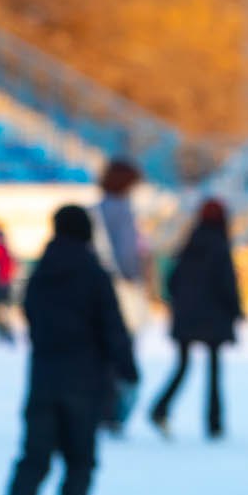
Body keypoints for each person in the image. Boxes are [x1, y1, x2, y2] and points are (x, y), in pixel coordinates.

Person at [0, 204, 139, 495]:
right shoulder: (94, 274)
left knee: (33, 461)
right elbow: (112, 327)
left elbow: (30, 315)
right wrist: (127, 369)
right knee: (80, 463)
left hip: (43, 381)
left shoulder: (41, 272)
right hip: (85, 385)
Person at [149, 198, 243, 440]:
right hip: (213, 317)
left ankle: (160, 408)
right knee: (214, 370)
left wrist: (181, 304)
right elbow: (227, 283)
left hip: (187, 316)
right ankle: (214, 422)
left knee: (183, 366)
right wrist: (236, 310)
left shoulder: (190, 244)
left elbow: (172, 281)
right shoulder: (219, 246)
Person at [95, 160, 147, 435]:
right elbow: (127, 255)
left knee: (102, 354)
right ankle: (113, 412)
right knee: (121, 351)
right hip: (121, 292)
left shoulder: (97, 209)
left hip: (98, 291)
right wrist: (135, 275)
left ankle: (101, 408)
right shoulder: (123, 210)